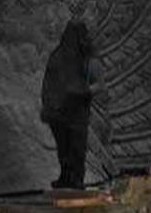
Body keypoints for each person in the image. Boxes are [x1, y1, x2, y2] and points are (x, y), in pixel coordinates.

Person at [41, 19, 104, 190]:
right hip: (58, 110)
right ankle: (65, 177)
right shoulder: (58, 56)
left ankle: (76, 179)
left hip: (77, 110)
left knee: (76, 146)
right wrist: (48, 102)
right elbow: (48, 81)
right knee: (64, 148)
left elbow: (98, 83)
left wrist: (82, 91)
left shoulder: (87, 58)